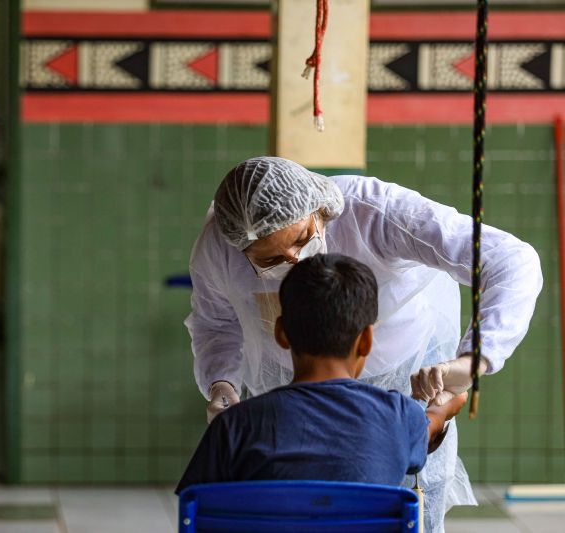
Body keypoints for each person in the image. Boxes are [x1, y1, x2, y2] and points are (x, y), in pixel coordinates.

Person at [186, 156, 543, 532]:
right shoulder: (400, 420)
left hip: (404, 371)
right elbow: (216, 323)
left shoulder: (375, 211)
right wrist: (221, 382)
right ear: (365, 339)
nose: (294, 262)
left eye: (303, 240)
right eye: (271, 261)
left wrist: (472, 360)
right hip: (395, 399)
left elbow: (512, 261)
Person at [176, 254, 467, 494]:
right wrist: (452, 394)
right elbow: (436, 419)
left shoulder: (234, 426)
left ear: (280, 333)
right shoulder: (397, 417)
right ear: (366, 340)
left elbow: (197, 508)